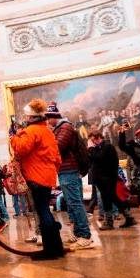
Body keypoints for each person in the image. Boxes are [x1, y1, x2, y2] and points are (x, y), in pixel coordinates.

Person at [9, 99, 65, 260]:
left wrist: (13, 137)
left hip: (35, 176)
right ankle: (56, 247)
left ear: (31, 116)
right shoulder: (47, 130)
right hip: (47, 176)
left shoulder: (32, 130)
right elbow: (57, 158)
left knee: (43, 211)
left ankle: (50, 250)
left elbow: (21, 149)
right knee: (46, 210)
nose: (25, 118)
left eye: (27, 116)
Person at [46, 101, 94, 249]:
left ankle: (85, 235)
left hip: (69, 169)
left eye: (49, 118)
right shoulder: (60, 128)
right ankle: (79, 233)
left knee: (75, 203)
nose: (47, 121)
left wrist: (47, 138)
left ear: (55, 116)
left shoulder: (65, 127)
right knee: (72, 203)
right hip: (65, 170)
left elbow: (58, 146)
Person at [88, 130, 135, 230]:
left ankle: (109, 222)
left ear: (98, 137)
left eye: (93, 140)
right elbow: (92, 160)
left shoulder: (107, 147)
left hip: (107, 179)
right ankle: (128, 217)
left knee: (107, 199)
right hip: (101, 179)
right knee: (113, 198)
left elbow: (99, 158)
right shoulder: (98, 148)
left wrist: (91, 149)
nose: (92, 142)